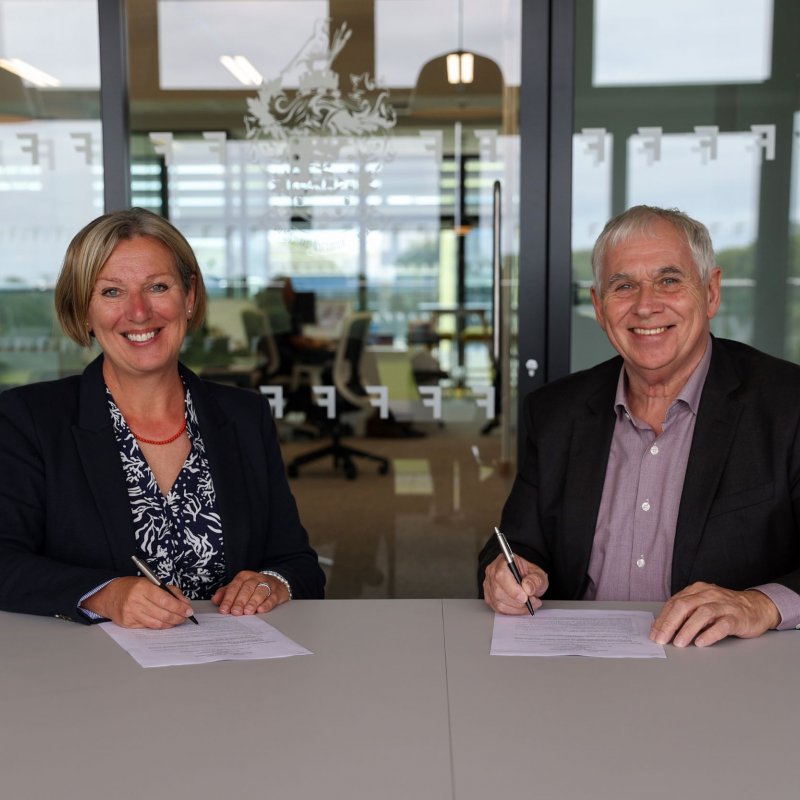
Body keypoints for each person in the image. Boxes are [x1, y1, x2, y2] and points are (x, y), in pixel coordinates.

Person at [479, 205, 800, 647]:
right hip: (577, 669)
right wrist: (507, 572)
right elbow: (515, 544)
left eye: (669, 280)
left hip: (728, 674)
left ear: (710, 292)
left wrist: (761, 604)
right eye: (624, 285)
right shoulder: (555, 412)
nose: (646, 305)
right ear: (599, 305)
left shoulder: (789, 403)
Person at [0, 208, 325, 628]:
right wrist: (104, 594)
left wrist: (274, 582)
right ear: (84, 312)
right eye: (112, 292)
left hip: (236, 674)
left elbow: (298, 562)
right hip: (91, 678)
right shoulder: (29, 420)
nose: (138, 312)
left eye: (157, 286)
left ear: (188, 298)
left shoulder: (245, 416)